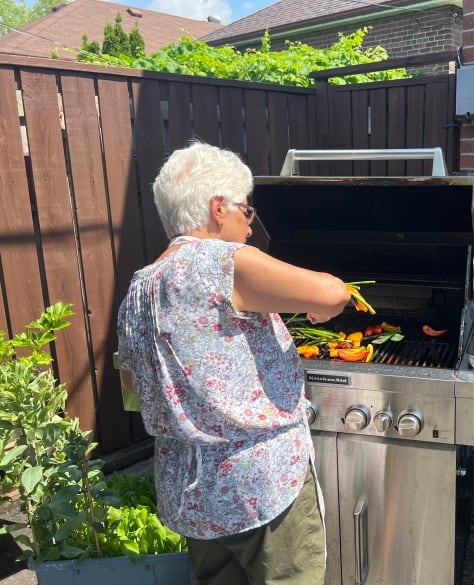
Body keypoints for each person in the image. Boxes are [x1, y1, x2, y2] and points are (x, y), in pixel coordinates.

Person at [117, 141, 352, 585]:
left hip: (191, 492)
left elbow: (134, 383)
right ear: (217, 208)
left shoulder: (139, 288)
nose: (250, 228)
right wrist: (323, 298)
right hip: (260, 488)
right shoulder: (218, 261)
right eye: (247, 211)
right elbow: (333, 294)